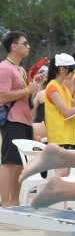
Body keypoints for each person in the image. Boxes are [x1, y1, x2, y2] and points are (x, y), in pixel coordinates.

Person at [0, 31, 44, 206]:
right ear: (14, 46)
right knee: (9, 162)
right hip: (12, 120)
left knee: (19, 164)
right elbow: (2, 96)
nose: (28, 46)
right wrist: (28, 90)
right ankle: (5, 203)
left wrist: (35, 84)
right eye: (24, 43)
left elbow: (26, 93)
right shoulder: (4, 68)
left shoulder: (21, 69)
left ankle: (15, 202)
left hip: (25, 120)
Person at [43, 54, 75, 175]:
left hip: (67, 136)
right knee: (62, 173)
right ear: (62, 69)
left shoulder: (63, 88)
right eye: (71, 70)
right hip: (59, 137)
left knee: (66, 173)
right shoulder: (52, 87)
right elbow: (67, 112)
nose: (73, 73)